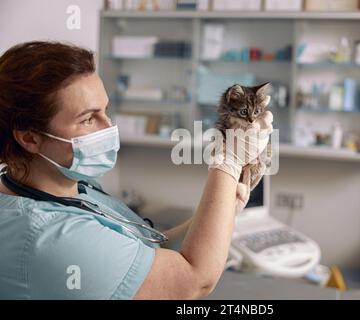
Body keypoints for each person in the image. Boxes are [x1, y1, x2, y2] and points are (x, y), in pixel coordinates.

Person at [0, 41, 273, 299]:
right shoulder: (53, 239)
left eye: (105, 111)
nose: (109, 127)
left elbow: (149, 254)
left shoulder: (71, 184)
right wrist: (229, 162)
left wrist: (223, 210)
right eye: (88, 119)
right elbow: (193, 280)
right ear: (30, 138)